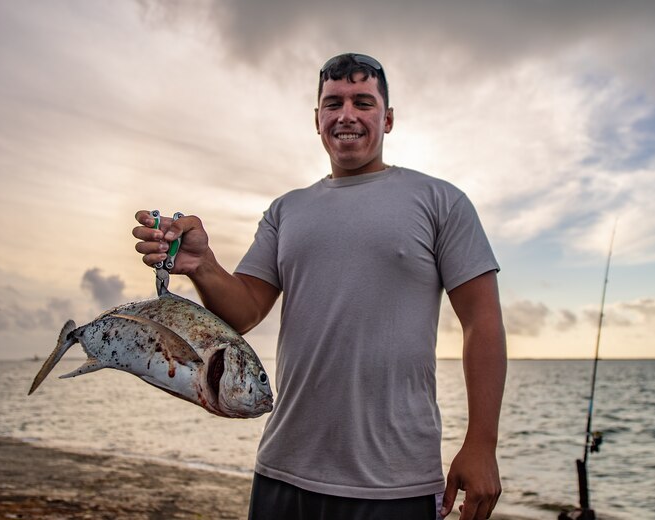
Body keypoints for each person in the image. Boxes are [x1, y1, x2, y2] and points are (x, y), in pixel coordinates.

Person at [133, 53, 506, 520]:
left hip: (396, 480)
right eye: (333, 103)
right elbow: (245, 310)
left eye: (363, 102)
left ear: (387, 119)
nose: (346, 115)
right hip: (283, 470)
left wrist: (481, 443)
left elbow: (482, 321)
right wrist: (203, 264)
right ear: (317, 119)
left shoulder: (441, 201)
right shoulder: (286, 211)